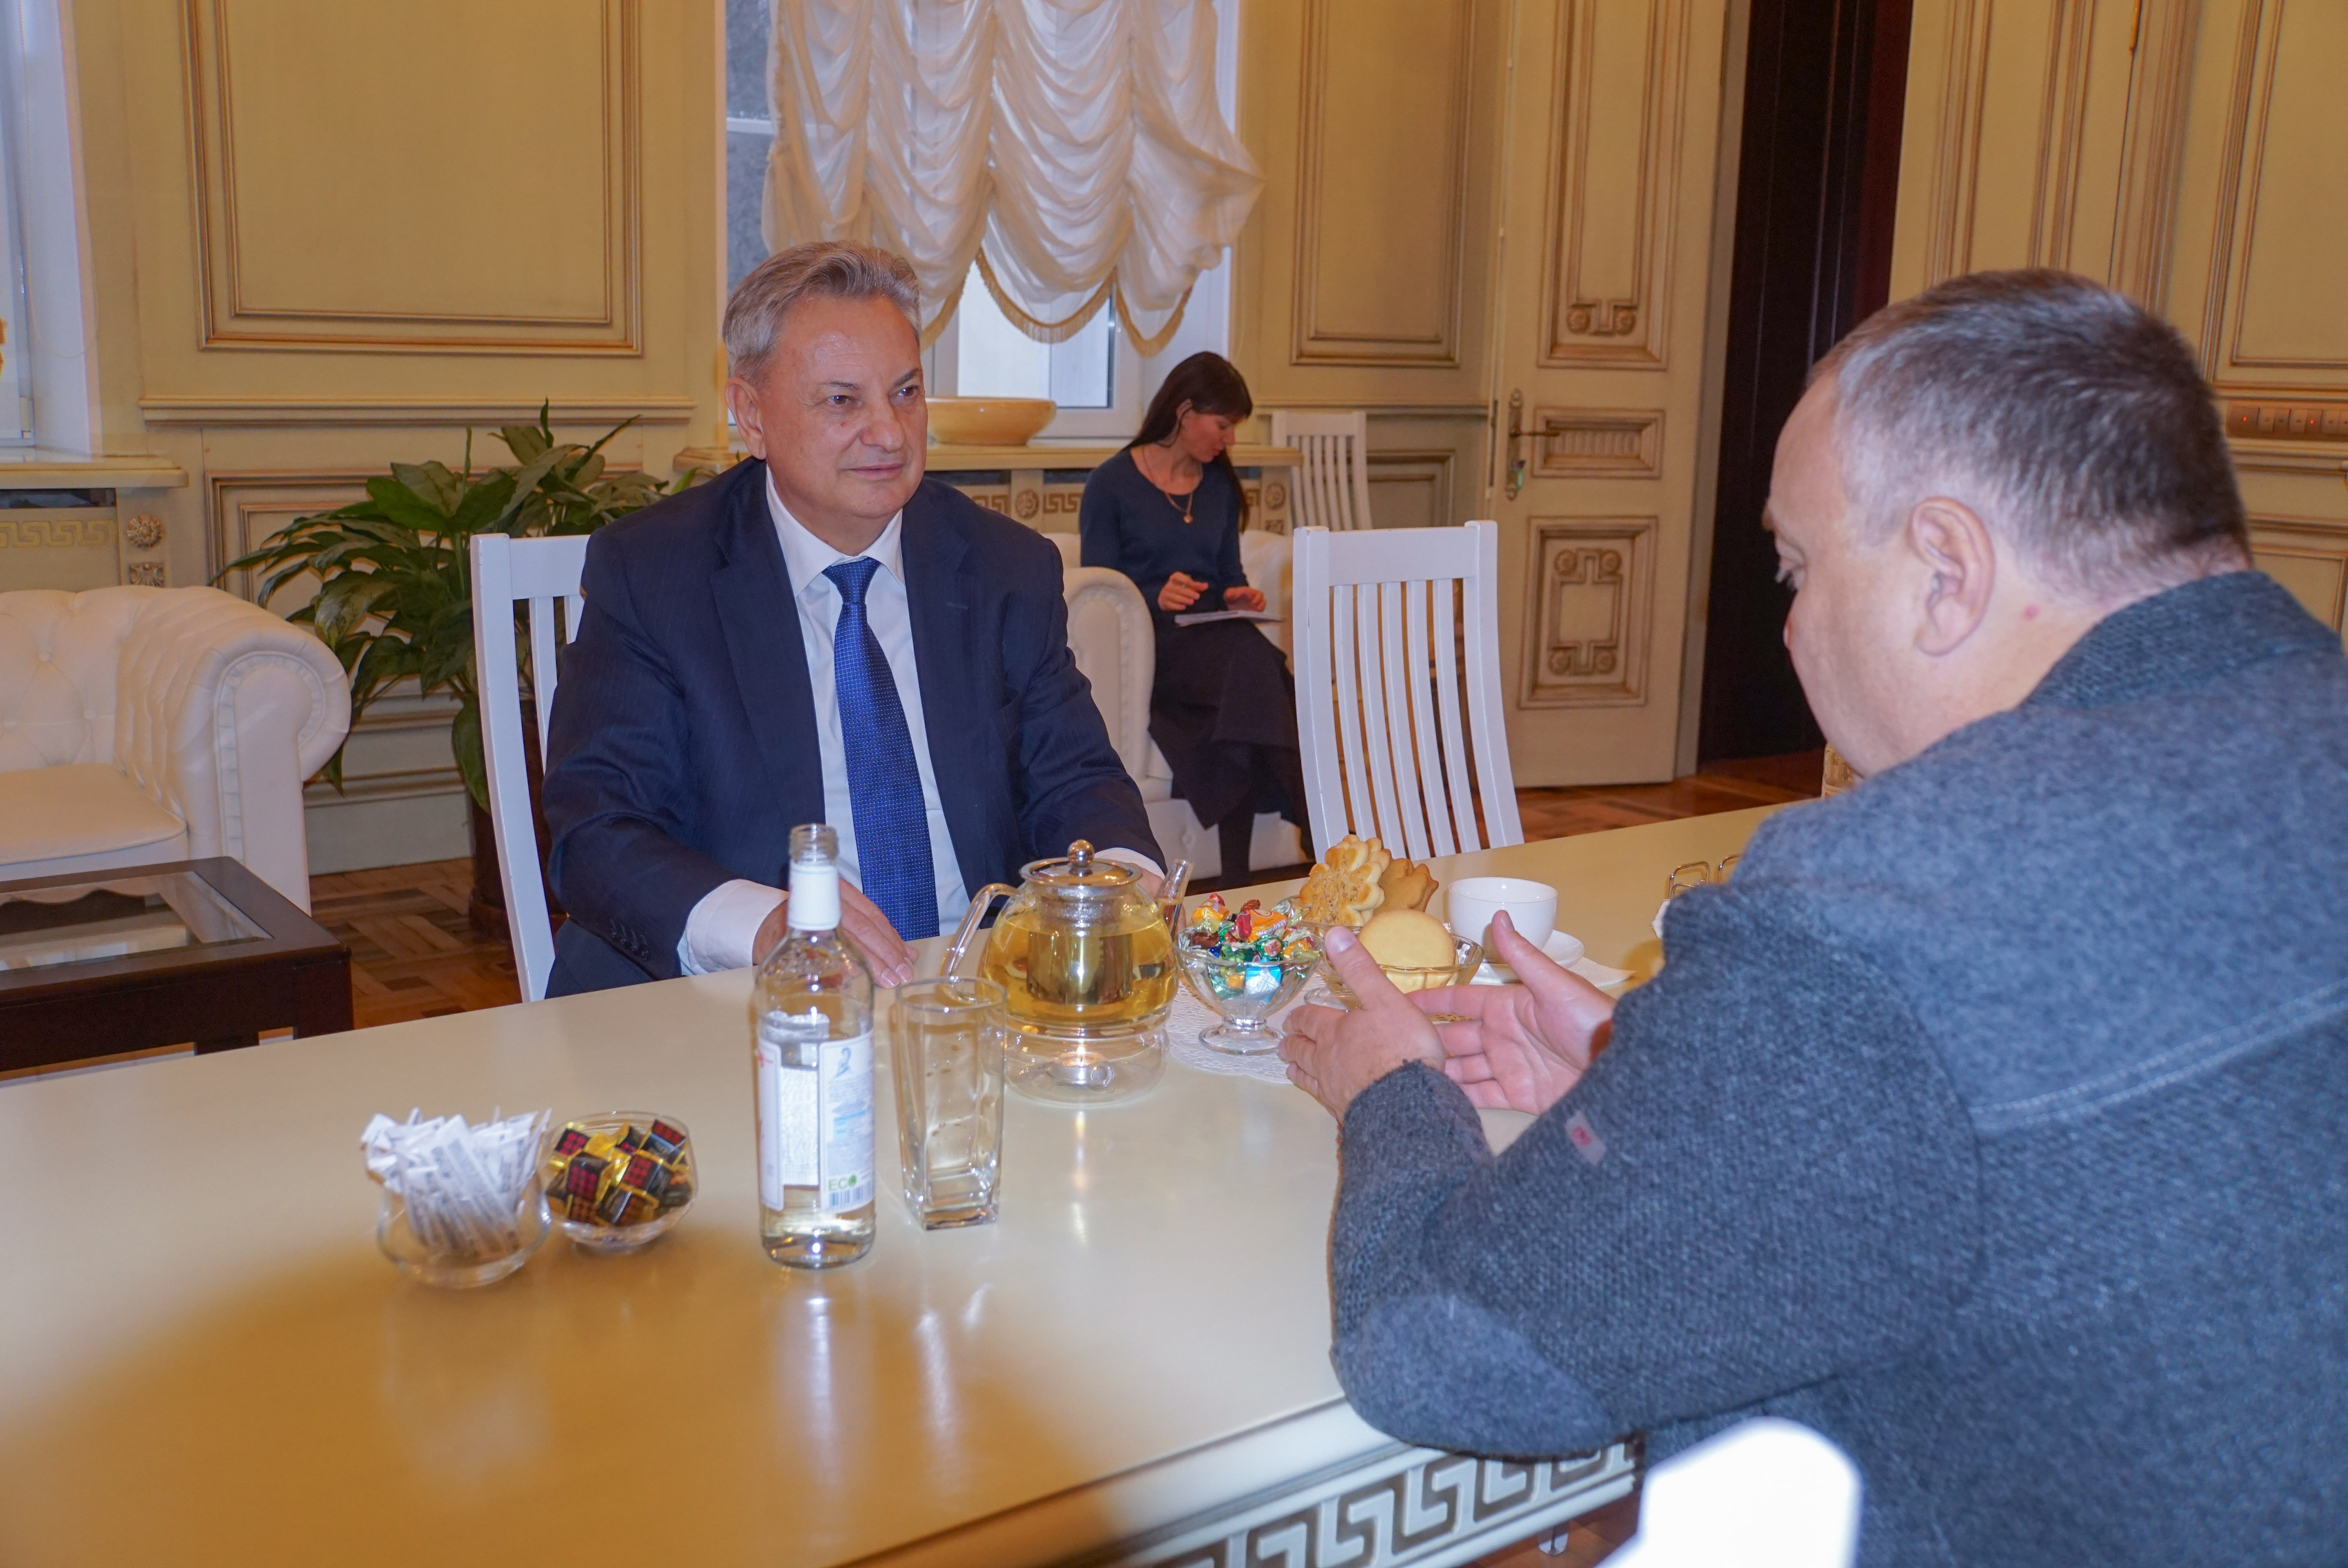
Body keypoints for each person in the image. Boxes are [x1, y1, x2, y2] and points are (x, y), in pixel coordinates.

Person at [1281, 270, 2347, 1565]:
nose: (1786, 631)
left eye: (1794, 568)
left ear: (1945, 570)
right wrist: (1659, 1077)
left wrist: (1391, 1088)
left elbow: (1440, 1355)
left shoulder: (1874, 904)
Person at [539, 241, 1162, 994]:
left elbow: (1077, 778)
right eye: (842, 401)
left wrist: (1121, 883)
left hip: (972, 992)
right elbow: (598, 827)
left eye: (905, 392)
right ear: (751, 415)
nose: (890, 433)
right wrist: (768, 925)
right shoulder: (655, 573)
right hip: (737, 997)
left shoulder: (1006, 566)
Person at [1080, 352, 1309, 879]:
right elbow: (1102, 583)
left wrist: (1238, 596)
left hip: (1217, 642)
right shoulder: (1111, 484)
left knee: (1245, 683)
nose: (1230, 440)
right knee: (1258, 666)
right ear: (1185, 412)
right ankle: (1312, 819)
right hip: (1154, 646)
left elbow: (1228, 573)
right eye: (1223, 425)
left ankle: (1238, 875)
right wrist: (1155, 593)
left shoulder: (1219, 486)